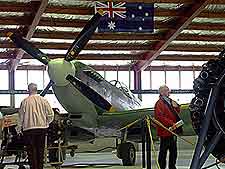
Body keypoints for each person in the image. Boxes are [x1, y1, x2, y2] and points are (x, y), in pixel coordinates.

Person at [18, 83, 54, 169]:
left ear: (28, 90)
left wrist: (19, 129)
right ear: (37, 90)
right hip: (42, 129)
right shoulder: (43, 100)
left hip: (29, 129)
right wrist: (46, 123)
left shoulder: (25, 101)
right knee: (40, 151)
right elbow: (51, 114)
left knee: (31, 151)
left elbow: (21, 118)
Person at [154, 85, 182, 169]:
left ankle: (172, 167)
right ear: (161, 92)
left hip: (172, 130)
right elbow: (159, 117)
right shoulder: (159, 103)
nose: (168, 92)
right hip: (165, 131)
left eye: (168, 90)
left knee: (174, 151)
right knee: (163, 151)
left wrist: (177, 107)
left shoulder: (170, 101)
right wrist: (171, 123)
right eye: (166, 90)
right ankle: (162, 167)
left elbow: (176, 112)